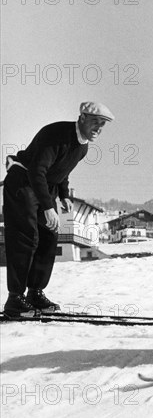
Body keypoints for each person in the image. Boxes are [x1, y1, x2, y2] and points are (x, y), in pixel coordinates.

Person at [3, 102, 115, 318]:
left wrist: (64, 195)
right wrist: (47, 207)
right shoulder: (55, 134)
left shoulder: (82, 147)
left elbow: (62, 171)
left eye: (102, 125)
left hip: (43, 188)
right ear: (81, 118)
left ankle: (35, 293)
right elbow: (37, 170)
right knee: (26, 239)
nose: (98, 129)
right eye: (94, 122)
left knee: (49, 238)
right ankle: (15, 299)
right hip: (23, 184)